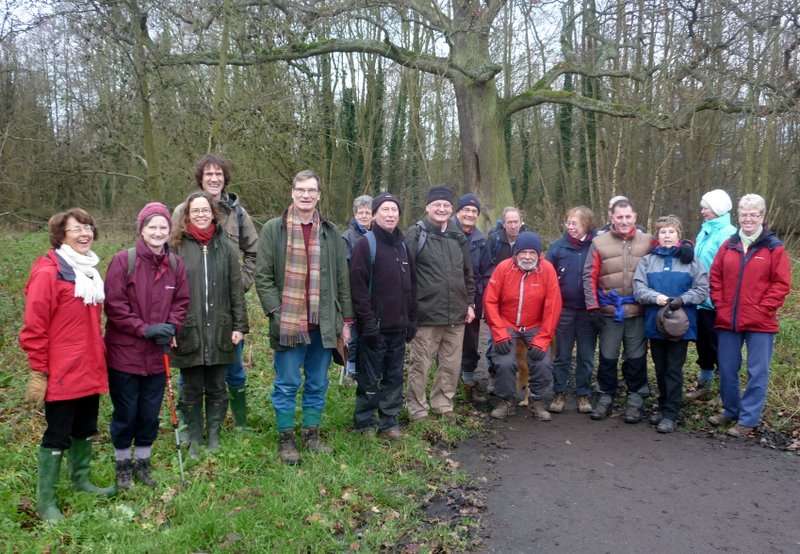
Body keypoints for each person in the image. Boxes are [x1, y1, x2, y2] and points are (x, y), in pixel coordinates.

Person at [20, 209, 115, 521]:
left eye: (88, 227)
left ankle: (81, 481)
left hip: (90, 366)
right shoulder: (48, 273)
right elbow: (34, 328)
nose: (84, 233)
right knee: (57, 433)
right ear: (61, 235)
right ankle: (46, 501)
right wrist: (39, 371)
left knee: (85, 428)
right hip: (62, 372)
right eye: (76, 229)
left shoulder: (88, 272)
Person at [254, 169, 353, 464]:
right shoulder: (273, 229)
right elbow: (263, 276)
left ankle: (311, 435)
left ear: (319, 195)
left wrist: (346, 322)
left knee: (317, 382)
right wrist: (276, 311)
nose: (306, 195)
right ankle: (286, 438)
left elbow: (342, 280)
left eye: (311, 190)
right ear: (293, 193)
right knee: (286, 383)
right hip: (288, 323)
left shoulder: (331, 233)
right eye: (301, 190)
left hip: (323, 324)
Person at [104, 203, 190, 488]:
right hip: (124, 355)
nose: (158, 232)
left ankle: (143, 462)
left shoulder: (175, 265)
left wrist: (172, 326)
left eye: (163, 227)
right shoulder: (123, 261)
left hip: (157, 355)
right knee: (126, 412)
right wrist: (144, 329)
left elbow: (181, 302)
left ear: (169, 230)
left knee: (149, 413)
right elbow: (115, 306)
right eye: (152, 227)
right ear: (141, 229)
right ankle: (122, 464)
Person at [173, 155, 258, 431]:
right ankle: (187, 422)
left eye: (218, 174)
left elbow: (254, 252)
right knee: (190, 363)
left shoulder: (238, 214)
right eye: (208, 174)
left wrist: (240, 283)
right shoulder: (182, 211)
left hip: (226, 306)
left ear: (225, 178)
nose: (214, 178)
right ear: (200, 178)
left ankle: (240, 422)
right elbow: (171, 253)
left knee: (233, 365)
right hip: (192, 306)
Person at [170, 191, 249, 458]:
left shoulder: (225, 246)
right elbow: (167, 292)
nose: (201, 214)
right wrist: (170, 327)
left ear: (213, 214)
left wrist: (239, 326)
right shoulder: (176, 247)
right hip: (188, 328)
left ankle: (214, 436)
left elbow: (236, 289)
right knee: (191, 389)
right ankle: (195, 438)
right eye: (196, 211)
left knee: (217, 387)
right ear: (187, 215)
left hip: (220, 328)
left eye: (205, 210)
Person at [708, 194, 791, 437]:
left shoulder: (774, 247)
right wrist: (720, 304)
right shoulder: (729, 245)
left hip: (761, 322)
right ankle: (730, 410)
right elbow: (715, 277)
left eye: (753, 215)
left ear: (762, 217)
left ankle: (748, 420)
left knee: (757, 372)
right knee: (727, 368)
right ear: (738, 217)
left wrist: (764, 308)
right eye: (743, 215)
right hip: (728, 319)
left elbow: (781, 284)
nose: (748, 219)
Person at [404, 184, 476, 422]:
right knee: (421, 364)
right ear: (428, 207)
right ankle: (417, 409)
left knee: (450, 364)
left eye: (446, 205)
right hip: (426, 313)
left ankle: (443, 404)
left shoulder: (457, 235)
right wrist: (410, 308)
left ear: (451, 209)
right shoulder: (416, 234)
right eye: (437, 204)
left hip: (456, 313)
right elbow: (405, 274)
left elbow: (468, 273)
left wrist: (470, 303)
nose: (442, 209)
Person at [349, 192, 417, 438]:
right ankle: (366, 422)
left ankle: (389, 422)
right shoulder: (365, 245)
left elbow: (412, 286)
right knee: (369, 379)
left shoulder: (403, 246)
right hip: (374, 329)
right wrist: (367, 322)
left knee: (394, 377)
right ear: (374, 215)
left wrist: (412, 318)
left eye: (394, 210)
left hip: (398, 328)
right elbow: (357, 288)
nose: (390, 215)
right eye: (385, 210)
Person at [633, 216, 709, 433]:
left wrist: (682, 300)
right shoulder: (648, 261)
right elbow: (639, 288)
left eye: (671, 232)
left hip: (680, 325)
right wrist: (655, 297)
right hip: (655, 323)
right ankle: (662, 405)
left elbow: (702, 289)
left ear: (679, 235)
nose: (667, 236)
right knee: (660, 368)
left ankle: (671, 413)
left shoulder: (692, 262)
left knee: (674, 369)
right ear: (657, 236)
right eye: (663, 232)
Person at [583, 198, 652, 423]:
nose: (624, 221)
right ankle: (605, 397)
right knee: (608, 357)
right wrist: (593, 307)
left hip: (638, 310)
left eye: (628, 216)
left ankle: (635, 399)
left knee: (636, 358)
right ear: (611, 217)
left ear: (635, 217)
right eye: (619, 217)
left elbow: (670, 248)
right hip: (610, 311)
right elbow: (589, 276)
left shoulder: (648, 241)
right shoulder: (598, 243)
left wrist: (685, 248)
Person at [483, 232, 562, 420]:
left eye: (532, 253)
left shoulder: (547, 270)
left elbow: (553, 306)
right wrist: (499, 333)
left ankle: (536, 400)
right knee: (504, 362)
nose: (527, 257)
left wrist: (543, 339)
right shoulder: (503, 268)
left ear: (539, 255)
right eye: (523, 252)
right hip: (507, 323)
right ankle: (506, 401)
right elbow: (490, 301)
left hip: (534, 325)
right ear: (516, 254)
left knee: (543, 362)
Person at [545, 206, 597, 414]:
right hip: (564, 309)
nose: (570, 226)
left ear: (587, 225)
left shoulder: (596, 246)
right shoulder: (557, 247)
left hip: (588, 310)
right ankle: (559, 393)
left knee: (586, 356)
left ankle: (583, 394)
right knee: (562, 354)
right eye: (568, 222)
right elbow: (546, 276)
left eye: (575, 223)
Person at [689, 189, 736, 400]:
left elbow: (729, 270)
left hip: (716, 300)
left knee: (719, 346)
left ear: (717, 209)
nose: (702, 211)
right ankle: (705, 384)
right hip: (700, 298)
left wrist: (719, 297)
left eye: (705, 208)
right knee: (703, 344)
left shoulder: (728, 233)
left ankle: (724, 390)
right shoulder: (705, 230)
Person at [453, 193, 493, 404]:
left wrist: (481, 293)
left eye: (473, 211)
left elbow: (487, 271)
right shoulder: (446, 233)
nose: (469, 214)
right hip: (448, 297)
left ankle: (468, 381)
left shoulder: (481, 240)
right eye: (465, 210)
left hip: (473, 298)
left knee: (470, 341)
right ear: (458, 212)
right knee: (447, 342)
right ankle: (448, 385)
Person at [340, 195, 374, 384]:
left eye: (367, 212)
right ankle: (351, 370)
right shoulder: (347, 237)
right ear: (354, 214)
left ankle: (368, 368)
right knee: (353, 335)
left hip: (373, 293)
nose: (364, 216)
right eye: (360, 212)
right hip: (353, 292)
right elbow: (344, 268)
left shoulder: (377, 235)